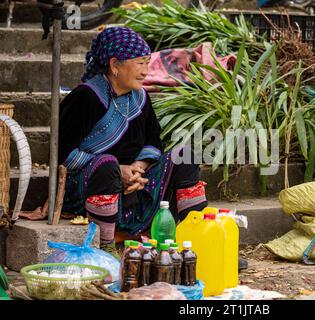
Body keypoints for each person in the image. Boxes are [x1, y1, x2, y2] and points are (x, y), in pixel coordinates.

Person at [58, 27, 208, 255]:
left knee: (183, 154)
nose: (145, 71)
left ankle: (198, 242)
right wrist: (119, 170)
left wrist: (138, 169)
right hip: (90, 186)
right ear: (114, 65)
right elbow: (64, 155)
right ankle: (105, 249)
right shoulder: (85, 97)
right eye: (139, 63)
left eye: (147, 63)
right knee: (107, 164)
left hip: (137, 185)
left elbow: (153, 143)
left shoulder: (140, 97)